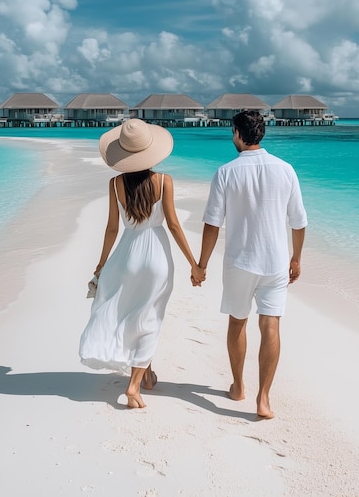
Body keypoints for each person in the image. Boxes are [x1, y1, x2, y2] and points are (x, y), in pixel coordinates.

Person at [79, 118, 204, 409]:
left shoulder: (115, 184)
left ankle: (145, 375)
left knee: (130, 312)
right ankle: (134, 386)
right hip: (157, 256)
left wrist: (101, 264)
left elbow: (112, 228)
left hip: (126, 254)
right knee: (150, 317)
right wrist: (194, 264)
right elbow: (173, 225)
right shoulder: (163, 181)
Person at [196, 111, 307, 419]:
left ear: (236, 133)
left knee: (237, 322)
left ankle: (238, 386)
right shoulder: (285, 170)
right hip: (274, 262)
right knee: (270, 325)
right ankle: (264, 398)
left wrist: (201, 264)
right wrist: (296, 258)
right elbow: (299, 221)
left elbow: (212, 224)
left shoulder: (226, 172)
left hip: (240, 262)